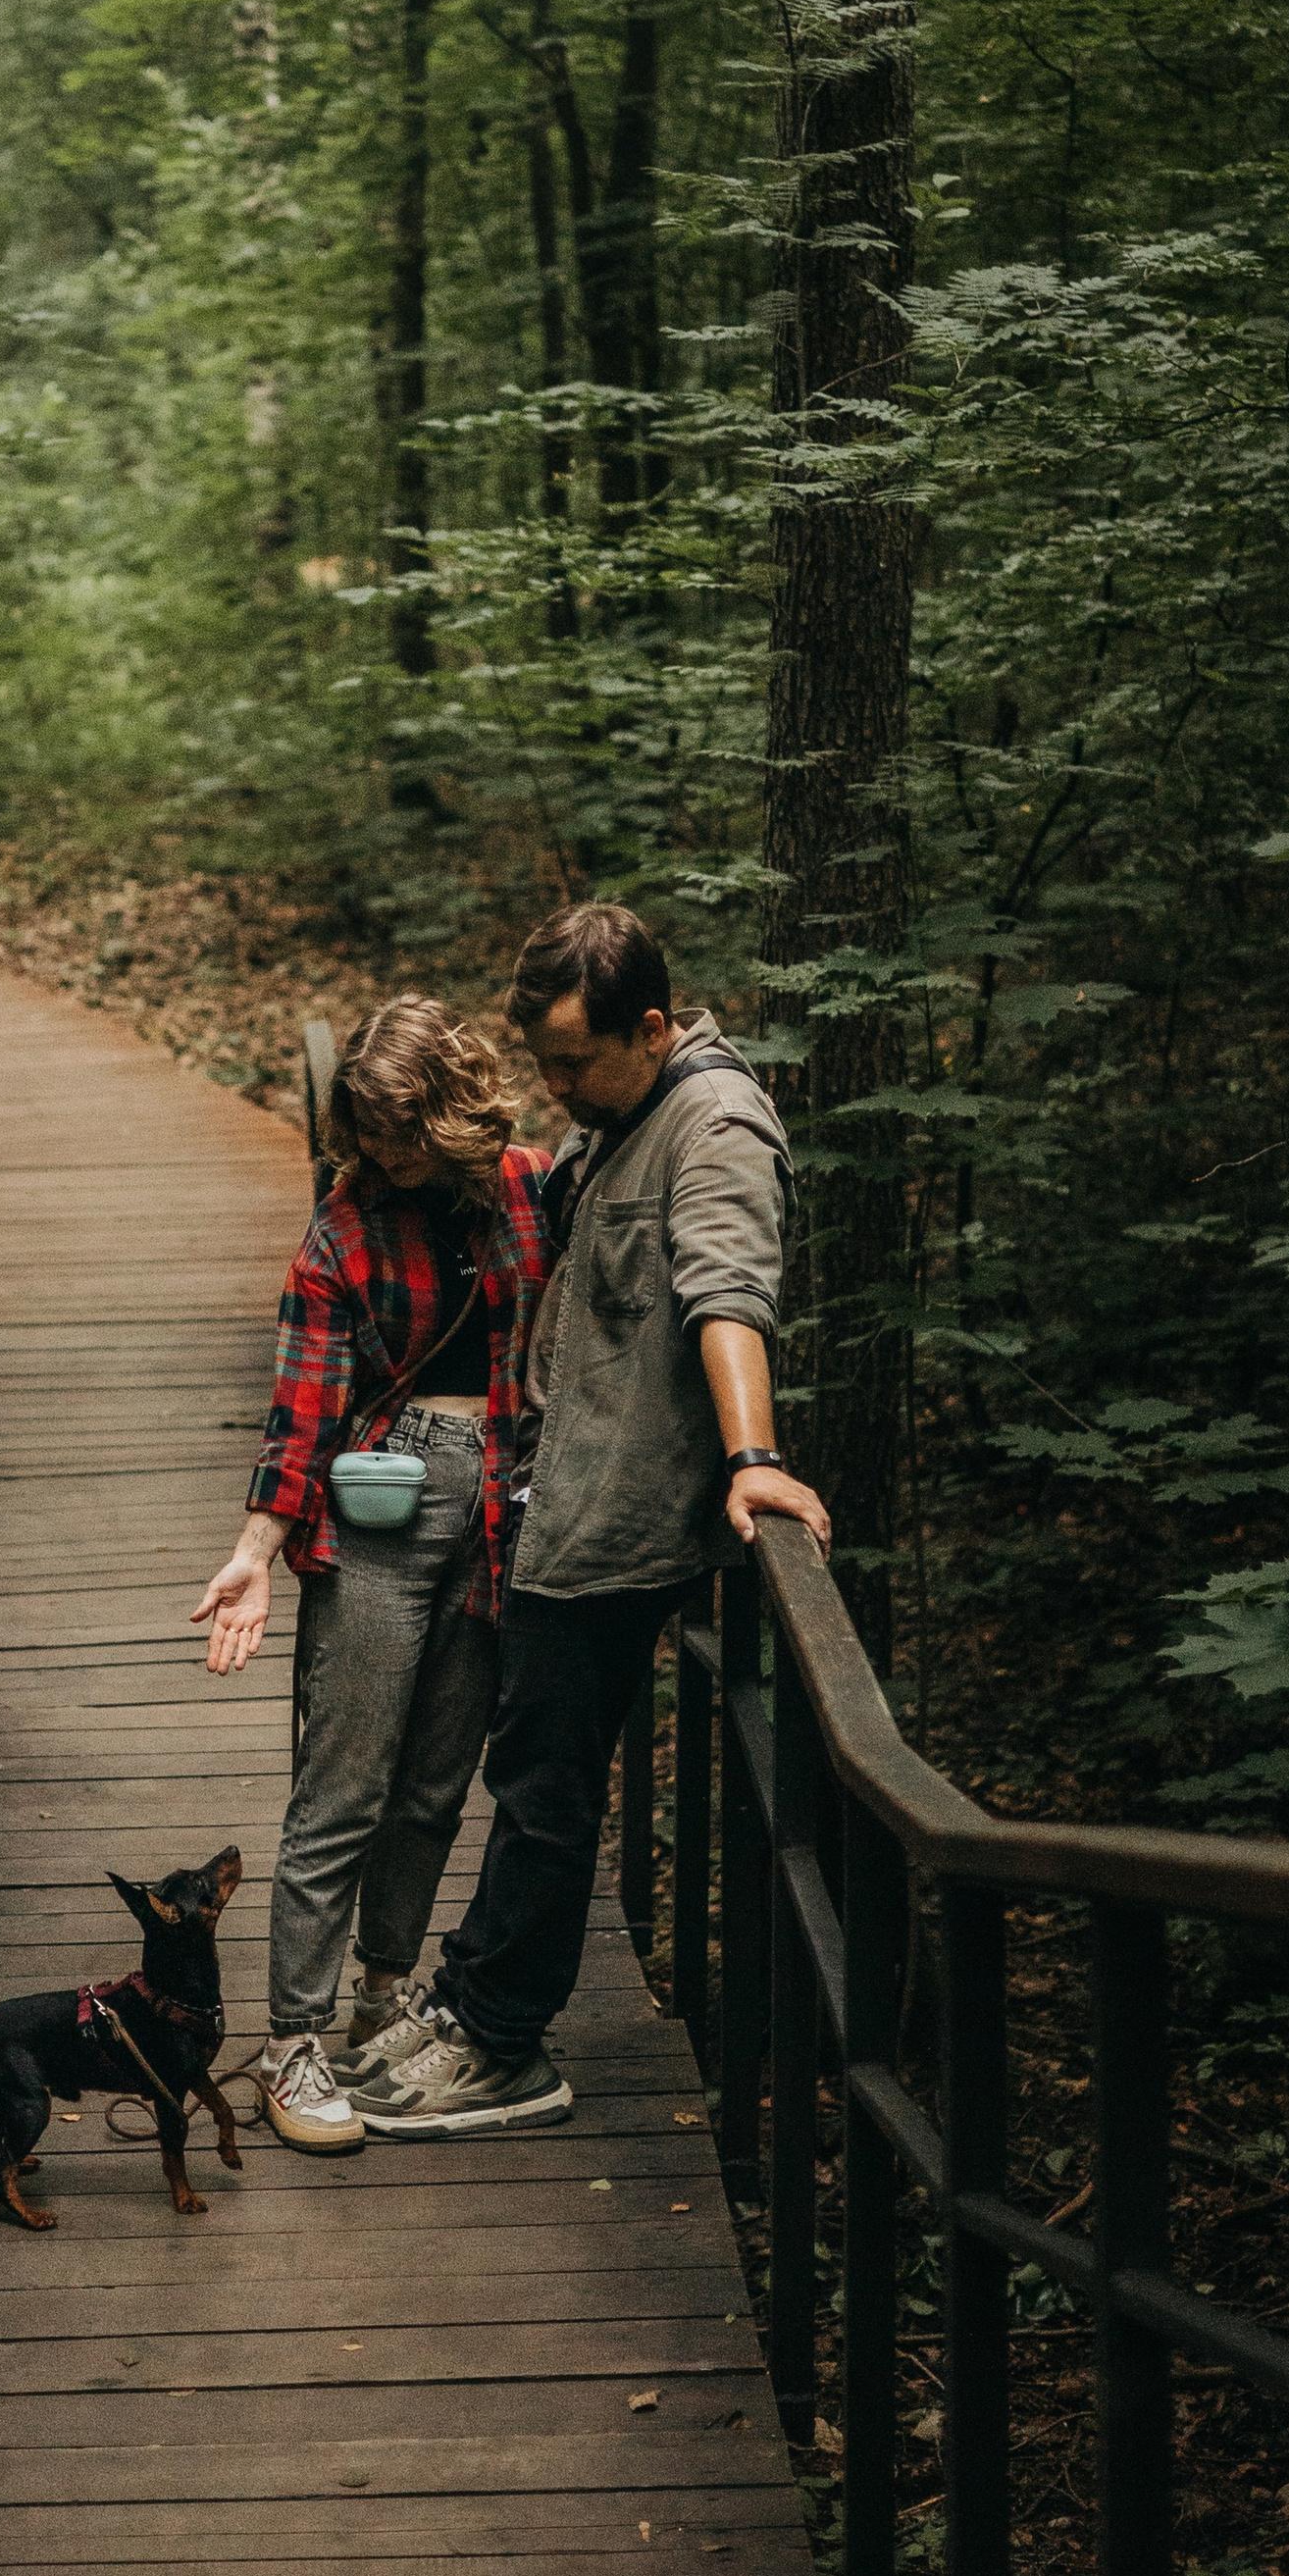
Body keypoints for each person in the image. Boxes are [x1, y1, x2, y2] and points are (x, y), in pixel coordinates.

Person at [347, 902, 832, 2138]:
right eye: (545, 1059)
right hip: (562, 1493)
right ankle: (472, 1999)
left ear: (654, 1027)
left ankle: (503, 2043)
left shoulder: (709, 1126)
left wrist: (756, 1457)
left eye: (575, 1060)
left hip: (621, 1512)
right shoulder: (622, 1116)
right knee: (532, 1767)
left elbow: (726, 1295)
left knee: (547, 1782)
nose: (555, 1086)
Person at [191, 997, 551, 2153]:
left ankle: (383, 1996)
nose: (385, 1155)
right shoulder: (342, 1227)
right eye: (367, 1133)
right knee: (341, 1782)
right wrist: (255, 1550)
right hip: (384, 1503)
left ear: (450, 1113)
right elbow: (300, 1402)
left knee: (439, 1778)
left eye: (402, 1131)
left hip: (501, 1506)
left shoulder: (533, 1188)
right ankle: (292, 2038)